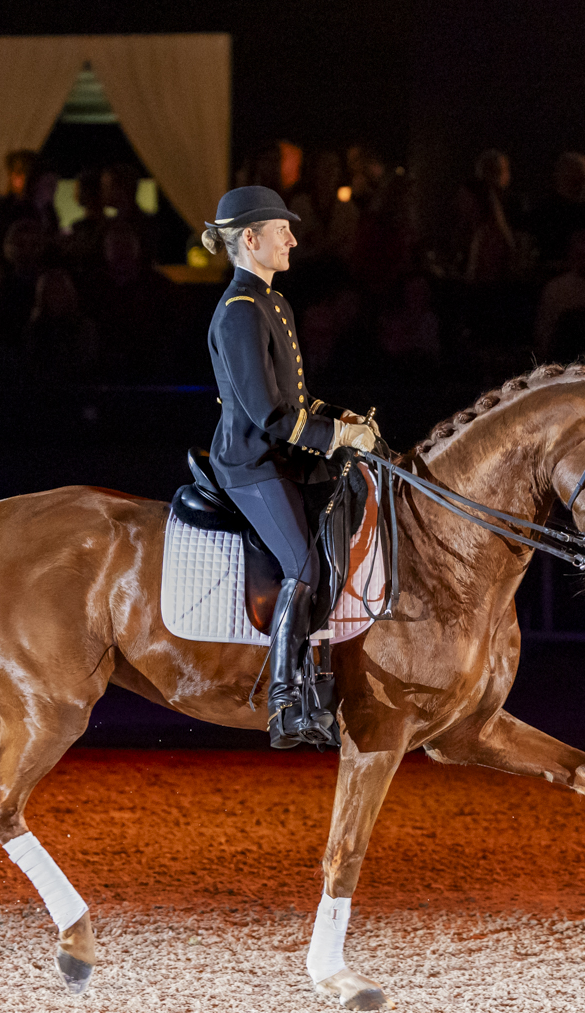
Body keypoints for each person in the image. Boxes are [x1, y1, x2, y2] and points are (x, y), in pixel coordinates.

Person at [201, 185, 378, 748]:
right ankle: (284, 701)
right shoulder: (238, 311)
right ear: (250, 240)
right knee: (302, 564)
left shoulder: (274, 303)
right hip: (250, 463)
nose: (293, 240)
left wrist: (340, 419)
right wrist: (334, 436)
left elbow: (296, 402)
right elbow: (268, 414)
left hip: (283, 456)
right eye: (283, 231)